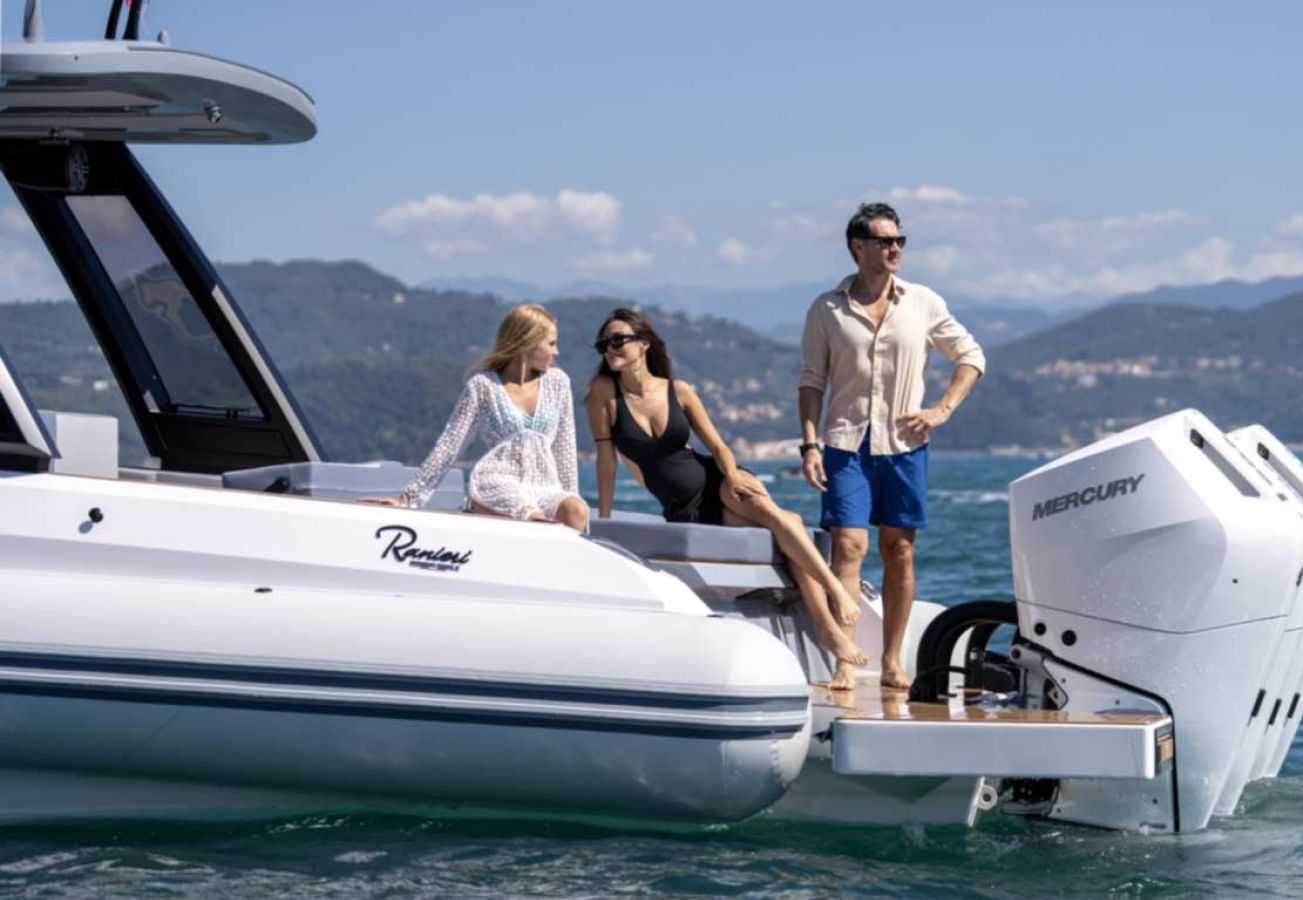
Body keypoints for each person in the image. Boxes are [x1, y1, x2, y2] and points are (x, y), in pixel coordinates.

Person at [585, 308, 868, 678]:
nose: (609, 349)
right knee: (791, 522)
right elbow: (606, 461)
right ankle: (829, 626)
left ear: (644, 344)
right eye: (604, 344)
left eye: (618, 340)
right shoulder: (603, 394)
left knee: (772, 514)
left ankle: (835, 600)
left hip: (717, 480)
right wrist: (605, 521)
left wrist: (733, 475)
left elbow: (718, 446)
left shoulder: (679, 391)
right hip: (684, 506)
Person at [799, 202, 986, 691]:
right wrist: (810, 444)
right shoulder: (826, 309)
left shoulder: (922, 301)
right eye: (885, 241)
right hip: (845, 443)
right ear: (857, 246)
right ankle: (844, 661)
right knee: (848, 546)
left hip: (904, 444)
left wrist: (941, 409)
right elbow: (812, 380)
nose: (895, 248)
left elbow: (971, 356)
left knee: (898, 550)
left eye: (899, 240)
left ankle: (890, 661)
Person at [366, 303, 589, 531]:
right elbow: (450, 444)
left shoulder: (558, 383)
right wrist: (409, 498)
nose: (556, 352)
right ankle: (485, 507)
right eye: (551, 344)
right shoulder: (482, 386)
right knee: (531, 516)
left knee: (577, 511)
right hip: (498, 483)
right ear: (527, 341)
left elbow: (565, 450)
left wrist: (569, 496)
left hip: (545, 488)